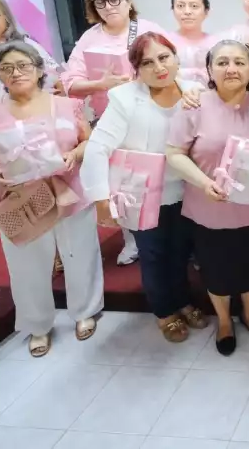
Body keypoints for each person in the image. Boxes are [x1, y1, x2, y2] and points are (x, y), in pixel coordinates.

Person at [0, 41, 103, 357]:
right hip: (19, 198)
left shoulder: (68, 106)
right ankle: (38, 325)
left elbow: (88, 143)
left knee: (79, 253)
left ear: (40, 69)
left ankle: (85, 311)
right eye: (7, 67)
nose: (16, 72)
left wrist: (73, 155)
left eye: (24, 65)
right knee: (26, 263)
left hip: (69, 192)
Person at [80, 32, 207, 343]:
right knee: (153, 255)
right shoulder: (125, 97)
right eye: (147, 62)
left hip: (186, 190)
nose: (159, 67)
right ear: (137, 69)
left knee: (180, 252)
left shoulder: (195, 91)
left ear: (176, 58)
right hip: (144, 195)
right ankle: (165, 312)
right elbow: (97, 148)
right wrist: (100, 198)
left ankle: (183, 300)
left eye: (164, 57)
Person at [166, 39, 249, 356]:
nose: (232, 68)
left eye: (240, 62)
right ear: (210, 70)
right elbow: (173, 153)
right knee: (215, 266)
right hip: (208, 205)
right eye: (223, 62)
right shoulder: (194, 105)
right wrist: (204, 183)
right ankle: (225, 320)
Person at [62, 0, 165, 266]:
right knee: (119, 180)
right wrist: (101, 83)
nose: (109, 7)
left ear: (128, 1)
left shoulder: (147, 30)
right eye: (100, 2)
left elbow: (170, 65)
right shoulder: (90, 38)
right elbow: (69, 82)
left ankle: (162, 232)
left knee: (154, 176)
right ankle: (131, 239)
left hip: (151, 114)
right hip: (109, 117)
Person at [168, 0, 216, 86]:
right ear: (173, 10)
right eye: (180, 6)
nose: (187, 11)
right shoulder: (164, 42)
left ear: (206, 11)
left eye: (194, 6)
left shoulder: (216, 44)